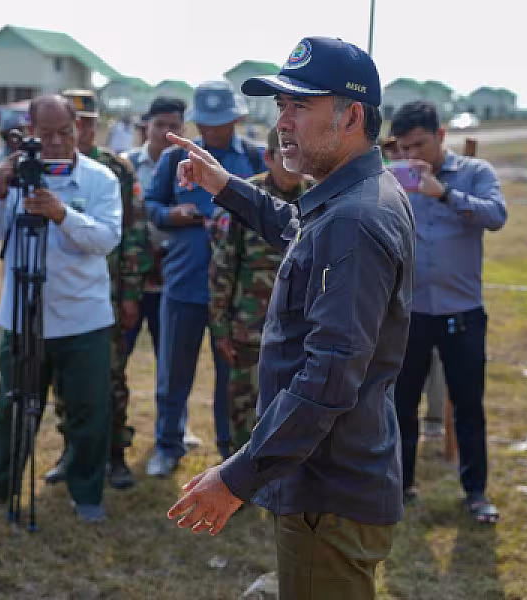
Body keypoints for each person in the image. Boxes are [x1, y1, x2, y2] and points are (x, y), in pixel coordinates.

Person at [166, 37, 413, 600]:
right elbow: (298, 233)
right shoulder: (352, 196)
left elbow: (330, 376)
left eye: (300, 105)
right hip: (326, 474)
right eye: (280, 105)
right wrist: (225, 186)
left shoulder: (354, 218)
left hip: (328, 488)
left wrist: (236, 477)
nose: (282, 121)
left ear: (352, 116)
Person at [0, 95, 121, 522]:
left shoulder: (99, 179)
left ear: (79, 129)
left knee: (88, 410)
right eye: (45, 134)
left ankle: (86, 492)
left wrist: (61, 214)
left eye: (64, 132)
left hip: (83, 318)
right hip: (23, 317)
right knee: (12, 407)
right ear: (29, 132)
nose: (55, 143)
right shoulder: (15, 175)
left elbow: (106, 239)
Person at [388, 100, 506, 522]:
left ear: (441, 136)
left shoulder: (476, 173)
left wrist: (445, 194)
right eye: (402, 148)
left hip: (462, 312)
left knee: (468, 405)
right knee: (401, 404)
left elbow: (497, 215)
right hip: (411, 313)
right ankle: (399, 486)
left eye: (418, 145)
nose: (410, 156)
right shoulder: (394, 179)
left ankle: (475, 492)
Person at [144, 80, 265, 474]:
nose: (213, 131)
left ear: (237, 119)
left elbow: (273, 210)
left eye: (221, 123)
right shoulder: (174, 159)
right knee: (173, 374)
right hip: (185, 283)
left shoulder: (255, 159)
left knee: (234, 379)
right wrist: (171, 215)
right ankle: (168, 445)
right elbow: (151, 203)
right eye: (206, 124)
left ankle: (231, 455)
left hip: (238, 294)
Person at [52, 88, 151, 489]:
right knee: (66, 379)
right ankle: (73, 451)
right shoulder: (47, 167)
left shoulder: (116, 169)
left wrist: (130, 294)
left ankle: (115, 453)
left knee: (111, 377)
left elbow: (134, 233)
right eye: (73, 123)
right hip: (62, 294)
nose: (81, 130)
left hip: (107, 295)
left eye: (86, 122)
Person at [208, 127, 310, 455]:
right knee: (245, 407)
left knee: (296, 411)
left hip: (303, 330)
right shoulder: (246, 199)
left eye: (303, 154)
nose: (297, 163)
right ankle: (238, 470)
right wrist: (220, 327)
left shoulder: (319, 197)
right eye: (288, 155)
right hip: (251, 329)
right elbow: (222, 267)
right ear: (268, 157)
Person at [123, 96, 187, 360]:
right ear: (146, 126)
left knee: (170, 361)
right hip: (131, 278)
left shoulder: (192, 167)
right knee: (118, 355)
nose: (165, 133)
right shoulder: (125, 166)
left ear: (183, 129)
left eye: (173, 126)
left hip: (171, 277)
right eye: (159, 124)